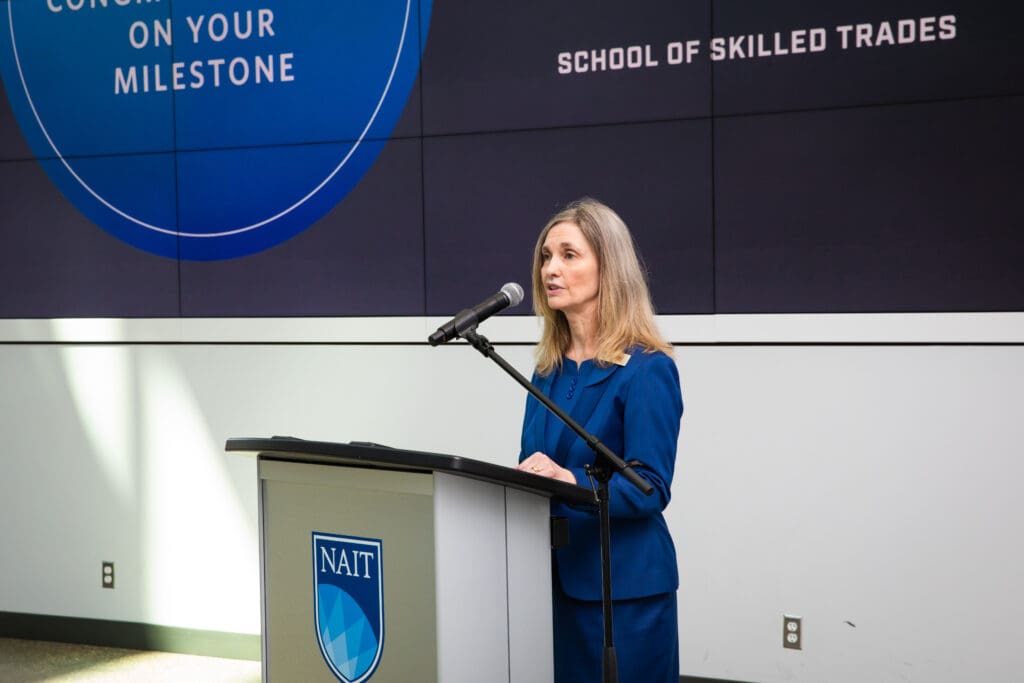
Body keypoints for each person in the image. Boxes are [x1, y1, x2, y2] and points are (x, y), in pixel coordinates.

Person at [516, 198, 683, 683]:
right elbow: (531, 464)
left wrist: (569, 479)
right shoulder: (547, 370)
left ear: (608, 267)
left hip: (624, 595)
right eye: (546, 256)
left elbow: (650, 487)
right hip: (555, 587)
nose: (551, 269)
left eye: (569, 255)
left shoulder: (649, 370)